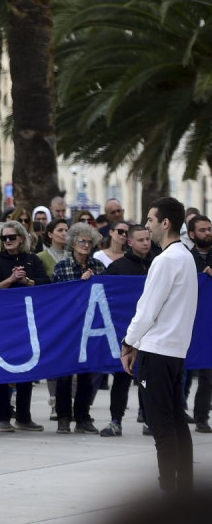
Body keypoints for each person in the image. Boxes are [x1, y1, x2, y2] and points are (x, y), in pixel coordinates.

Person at [121, 197, 198, 494]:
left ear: (165, 223)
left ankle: (169, 490)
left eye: (151, 220)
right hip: (175, 350)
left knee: (162, 424)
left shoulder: (165, 260)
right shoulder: (186, 257)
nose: (148, 226)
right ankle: (184, 487)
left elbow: (147, 310)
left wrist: (129, 342)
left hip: (158, 350)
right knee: (176, 420)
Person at [0, 220, 50, 433]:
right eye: (4, 238)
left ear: (21, 238)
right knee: (1, 369)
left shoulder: (32, 259)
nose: (8, 241)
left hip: (27, 320)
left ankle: (24, 416)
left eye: (12, 237)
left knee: (27, 369)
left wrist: (28, 282)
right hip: (2, 320)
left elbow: (46, 284)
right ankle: (2, 416)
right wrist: (11, 279)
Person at [99, 224, 153, 438]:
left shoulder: (157, 264)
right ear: (129, 242)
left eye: (148, 239)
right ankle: (115, 421)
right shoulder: (118, 267)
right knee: (122, 377)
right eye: (141, 240)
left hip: (151, 333)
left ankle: (149, 420)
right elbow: (103, 295)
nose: (146, 243)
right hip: (125, 332)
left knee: (148, 379)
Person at [185, 215, 212, 435]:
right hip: (189, 323)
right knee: (181, 373)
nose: (207, 233)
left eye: (209, 229)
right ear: (192, 234)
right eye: (202, 230)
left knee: (208, 373)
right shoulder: (185, 259)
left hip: (209, 323)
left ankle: (202, 417)